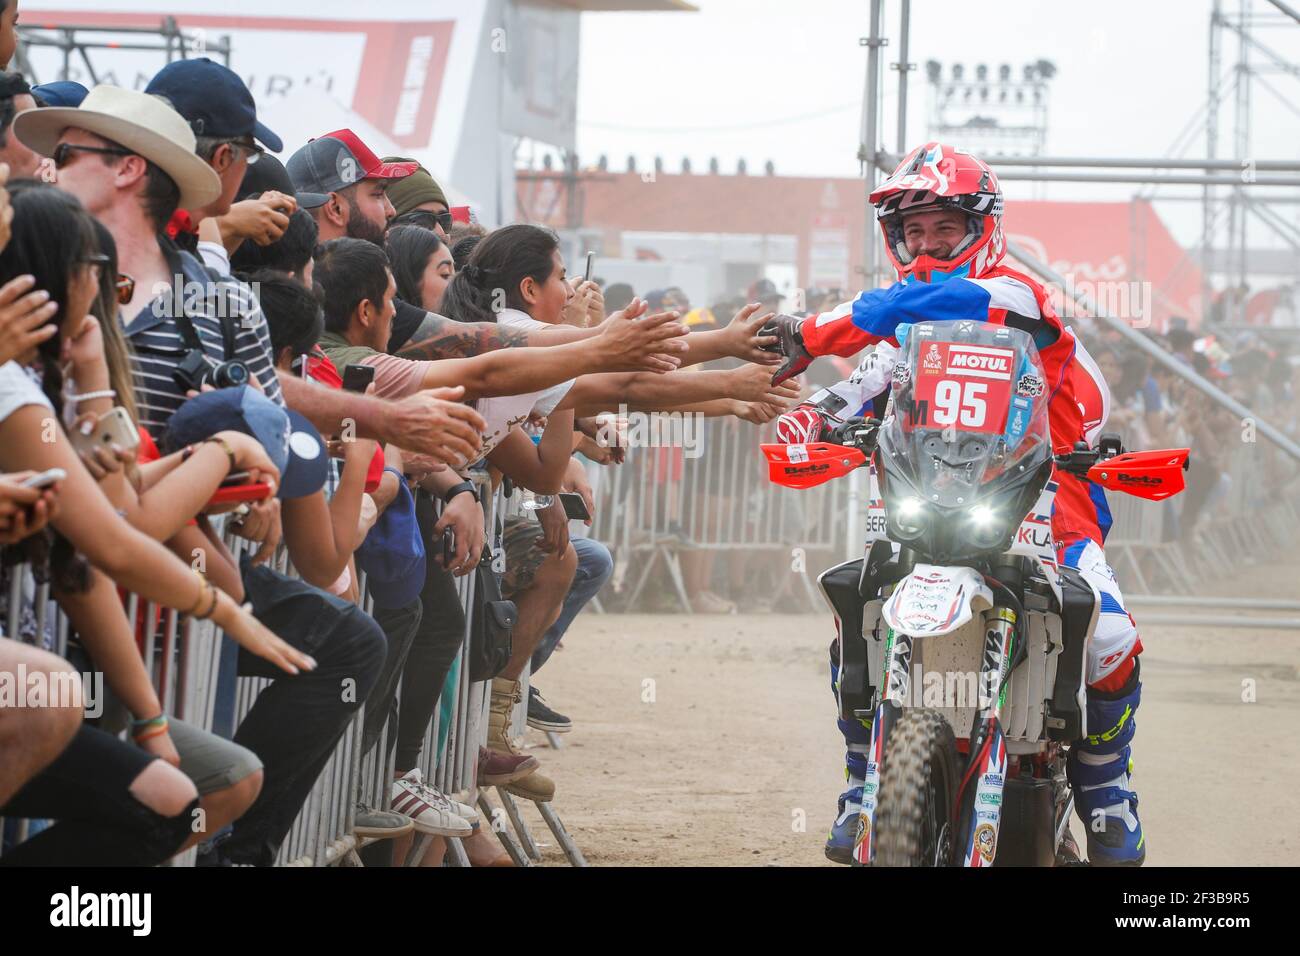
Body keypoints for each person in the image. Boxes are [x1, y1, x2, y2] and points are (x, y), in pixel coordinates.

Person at [767, 142, 1146, 866]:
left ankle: (1107, 789)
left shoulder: (1015, 295)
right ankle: (859, 783)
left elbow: (925, 303)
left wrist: (815, 330)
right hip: (926, 503)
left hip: (1043, 502)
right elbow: (861, 383)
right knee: (858, 614)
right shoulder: (905, 332)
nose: (928, 243)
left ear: (983, 225)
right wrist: (804, 421)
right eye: (914, 231)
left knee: (1109, 639)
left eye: (944, 225)